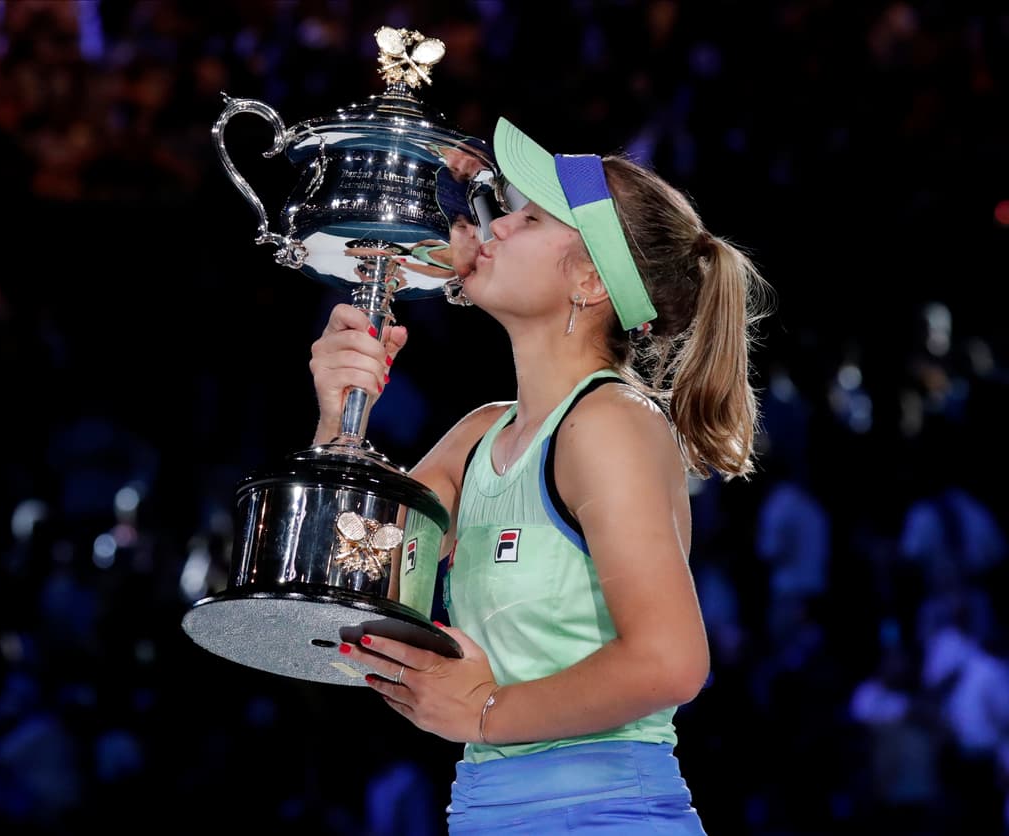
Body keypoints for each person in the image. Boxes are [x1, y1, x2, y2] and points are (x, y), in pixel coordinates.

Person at [311, 116, 773, 833]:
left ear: (590, 278)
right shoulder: (478, 435)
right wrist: (342, 418)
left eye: (527, 217)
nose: (490, 227)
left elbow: (672, 662)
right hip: (488, 812)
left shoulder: (610, 423)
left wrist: (483, 711)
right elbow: (352, 578)